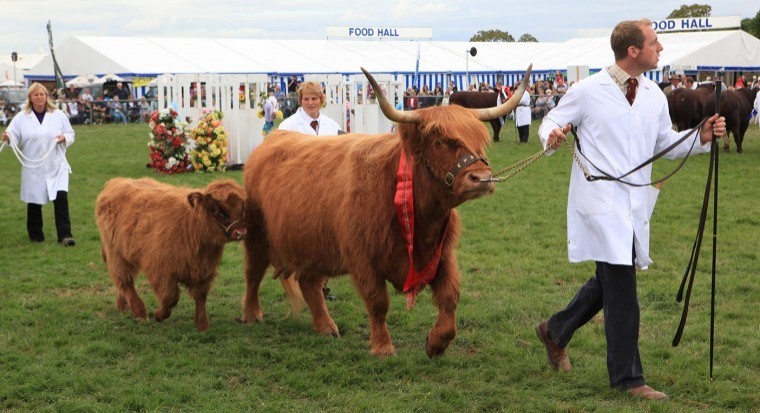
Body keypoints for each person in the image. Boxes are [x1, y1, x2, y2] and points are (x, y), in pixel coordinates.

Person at [535, 19, 725, 401]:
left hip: (635, 202)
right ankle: (628, 379)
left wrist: (699, 136)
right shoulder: (587, 90)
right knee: (623, 291)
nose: (661, 49)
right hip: (601, 202)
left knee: (609, 281)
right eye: (655, 43)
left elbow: (664, 144)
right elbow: (552, 120)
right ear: (633, 51)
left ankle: (555, 330)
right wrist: (551, 135)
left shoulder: (655, 95)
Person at [277, 81, 343, 300]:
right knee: (307, 237)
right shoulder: (287, 127)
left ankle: (321, 285)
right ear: (300, 101)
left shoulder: (332, 127)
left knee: (328, 236)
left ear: (321, 100)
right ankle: (306, 280)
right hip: (298, 191)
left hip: (328, 191)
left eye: (314, 98)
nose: (310, 103)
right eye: (306, 99)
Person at [1, 83, 77, 246]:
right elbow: (12, 134)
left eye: (42, 94)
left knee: (61, 197)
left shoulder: (58, 115)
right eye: (36, 95)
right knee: (34, 200)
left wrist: (64, 138)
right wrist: (7, 138)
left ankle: (65, 235)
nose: (39, 97)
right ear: (30, 98)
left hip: (56, 164)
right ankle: (36, 235)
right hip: (33, 165)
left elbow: (70, 133)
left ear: (46, 96)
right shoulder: (22, 117)